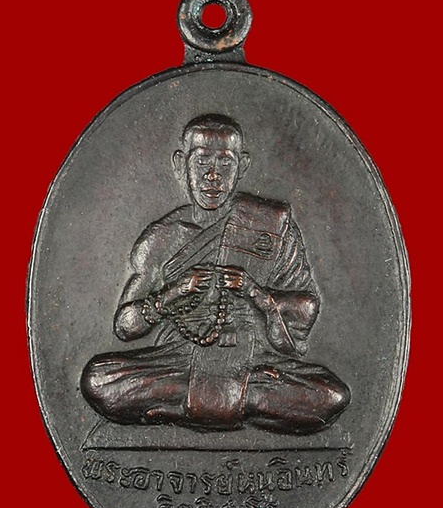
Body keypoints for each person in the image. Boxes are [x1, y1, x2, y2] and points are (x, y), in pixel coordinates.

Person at [81, 114, 350, 433]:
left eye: (225, 163)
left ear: (243, 165)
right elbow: (125, 325)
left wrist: (256, 293)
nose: (213, 176)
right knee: (98, 379)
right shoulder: (162, 237)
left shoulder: (272, 224)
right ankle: (242, 400)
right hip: (178, 358)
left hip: (252, 359)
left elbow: (306, 306)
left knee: (332, 395)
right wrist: (173, 294)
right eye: (202, 161)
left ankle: (189, 403)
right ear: (180, 164)